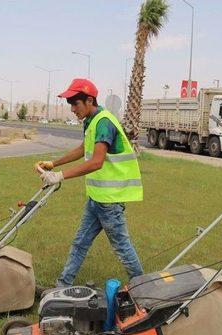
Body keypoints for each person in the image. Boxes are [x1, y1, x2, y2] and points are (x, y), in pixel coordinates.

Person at [36, 78, 144, 288]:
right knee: (80, 243)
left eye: (75, 104)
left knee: (122, 247)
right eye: (70, 105)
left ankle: (144, 288)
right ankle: (61, 287)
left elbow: (96, 162)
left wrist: (60, 176)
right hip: (97, 199)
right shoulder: (91, 121)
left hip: (110, 202)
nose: (72, 109)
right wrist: (53, 163)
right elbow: (82, 149)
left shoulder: (104, 122)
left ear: (89, 100)